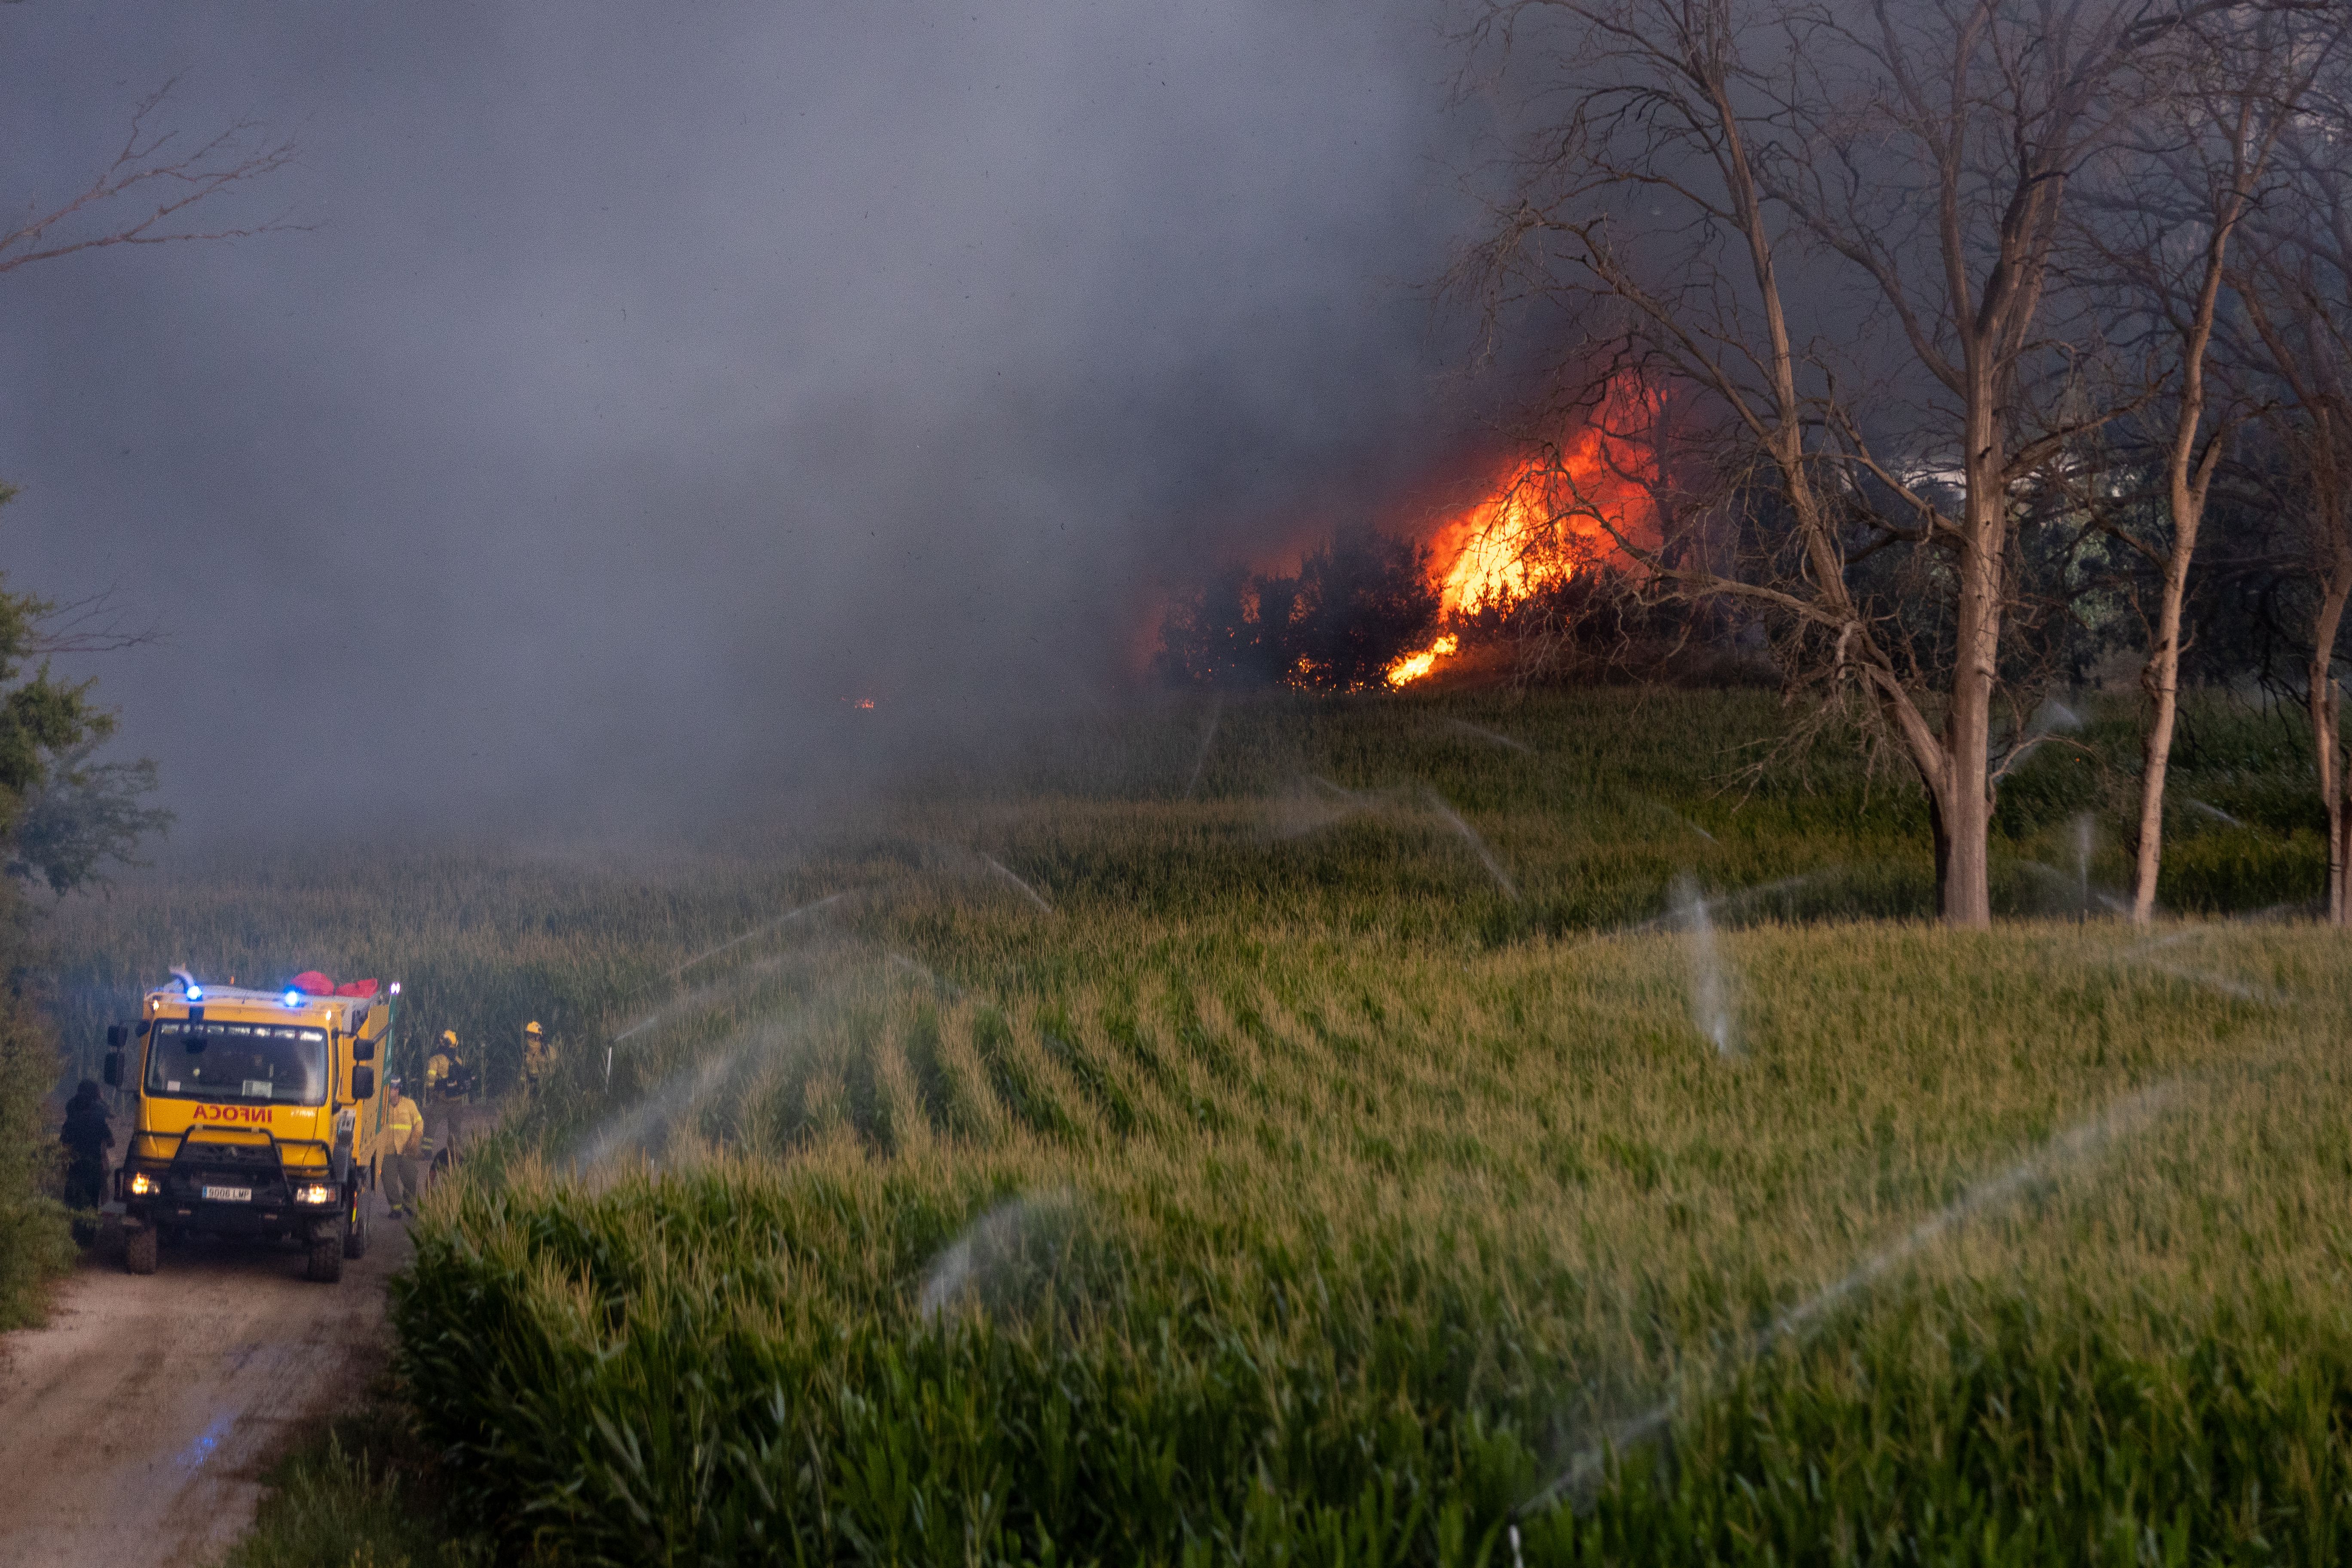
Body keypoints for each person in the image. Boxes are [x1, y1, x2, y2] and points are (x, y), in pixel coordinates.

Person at [59, 1079, 112, 1210]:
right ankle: (104, 1212)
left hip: (75, 1166)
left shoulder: (72, 1113)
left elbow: (64, 1143)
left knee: (71, 1204)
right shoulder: (98, 1115)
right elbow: (111, 1141)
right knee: (96, 1196)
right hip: (93, 1165)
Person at [380, 1077, 425, 1219]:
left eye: (396, 1088)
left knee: (411, 1179)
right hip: (387, 1150)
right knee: (389, 1181)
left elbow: (419, 1122)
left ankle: (409, 1205)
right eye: (391, 1088)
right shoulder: (381, 1105)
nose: (394, 1091)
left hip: (407, 1149)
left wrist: (416, 1136)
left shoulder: (409, 1104)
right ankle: (396, 1209)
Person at [521, 1020, 557, 1099]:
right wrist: (523, 1085)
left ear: (538, 1037)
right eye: (528, 1035)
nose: (529, 1038)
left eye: (532, 1035)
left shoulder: (548, 1050)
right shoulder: (526, 1051)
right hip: (532, 1087)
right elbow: (524, 1070)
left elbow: (554, 1070)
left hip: (545, 1087)